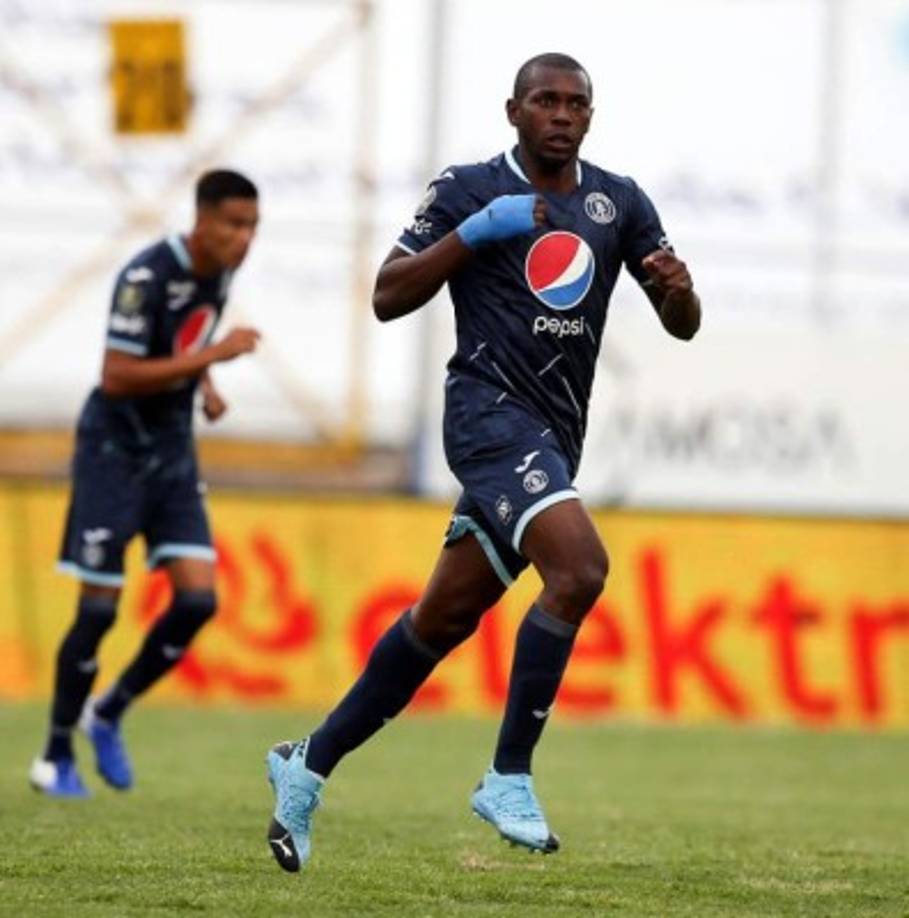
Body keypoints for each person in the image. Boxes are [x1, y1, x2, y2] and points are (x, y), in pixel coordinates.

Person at [265, 52, 701, 872]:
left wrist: (679, 291)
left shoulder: (619, 202)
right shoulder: (469, 189)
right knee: (579, 570)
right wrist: (471, 234)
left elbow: (681, 323)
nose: (561, 114)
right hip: (486, 418)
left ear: (589, 115)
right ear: (513, 111)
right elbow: (387, 295)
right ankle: (508, 775)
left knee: (442, 619)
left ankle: (307, 763)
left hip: (552, 438)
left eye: (575, 103)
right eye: (545, 100)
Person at [29, 169, 262, 797]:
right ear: (202, 221)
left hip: (172, 450)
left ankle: (107, 711)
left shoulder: (220, 272)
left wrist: (205, 384)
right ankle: (55, 754)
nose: (244, 238)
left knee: (197, 601)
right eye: (234, 225)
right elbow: (117, 375)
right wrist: (212, 359)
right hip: (114, 450)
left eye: (252, 227)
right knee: (98, 610)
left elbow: (184, 339)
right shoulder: (145, 277)